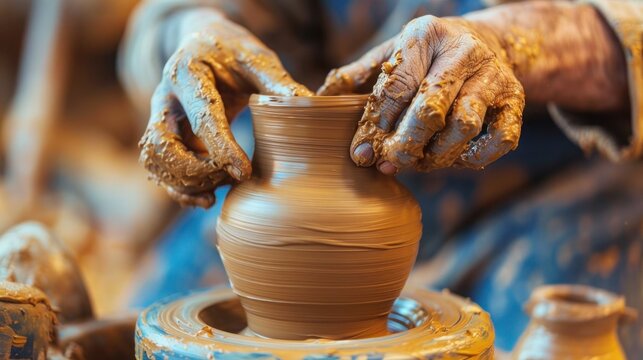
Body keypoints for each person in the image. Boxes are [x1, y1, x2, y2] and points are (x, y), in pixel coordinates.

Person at [119, 0, 642, 354]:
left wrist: (518, 43)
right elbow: (170, 17)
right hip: (282, 204)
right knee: (141, 333)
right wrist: (186, 31)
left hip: (557, 185)